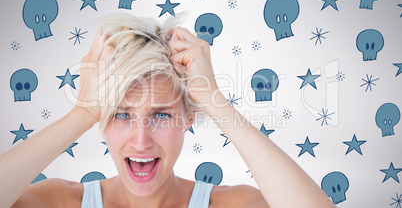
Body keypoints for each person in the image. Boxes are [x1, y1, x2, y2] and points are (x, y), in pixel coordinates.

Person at [0, 13, 335, 208]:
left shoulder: (230, 204)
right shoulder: (61, 202)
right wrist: (81, 114)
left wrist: (213, 99)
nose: (141, 140)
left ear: (189, 118)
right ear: (101, 121)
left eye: (161, 115)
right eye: (121, 114)